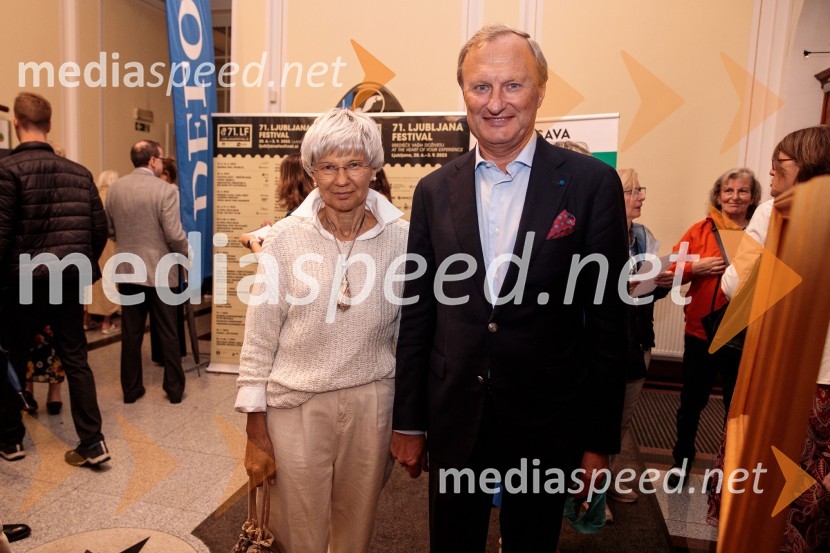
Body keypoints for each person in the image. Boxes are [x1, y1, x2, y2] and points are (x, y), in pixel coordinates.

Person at [390, 24, 629, 551]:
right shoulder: (434, 190)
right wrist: (408, 421)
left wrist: (597, 441)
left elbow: (610, 325)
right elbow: (418, 310)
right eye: (481, 87)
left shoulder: (591, 185)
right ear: (464, 94)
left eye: (513, 86)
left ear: (540, 90)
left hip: (548, 417)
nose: (496, 102)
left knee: (532, 543)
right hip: (455, 413)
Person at [237, 108, 409, 553]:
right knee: (299, 532)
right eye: (328, 167)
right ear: (311, 171)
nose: (342, 179)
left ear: (374, 166)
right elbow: (259, 339)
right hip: (296, 407)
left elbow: (411, 335)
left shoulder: (403, 239)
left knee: (356, 526)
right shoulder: (285, 238)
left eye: (353, 164)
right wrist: (256, 433)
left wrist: (413, 421)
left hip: (372, 402)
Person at [714, 126, 830, 551]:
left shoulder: (777, 211)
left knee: (768, 503)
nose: (772, 174)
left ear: (806, 167)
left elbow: (734, 285)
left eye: (780, 165)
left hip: (787, 375)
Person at [0, 92, 110, 467]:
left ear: (16, 123)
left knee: (12, 356)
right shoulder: (79, 173)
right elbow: (100, 229)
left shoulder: (8, 170)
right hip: (68, 276)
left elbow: (2, 234)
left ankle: (12, 441)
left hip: (24, 280)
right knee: (76, 358)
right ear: (49, 124)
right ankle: (93, 442)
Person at [655, 167, 761, 487]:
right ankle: (681, 463)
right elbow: (672, 272)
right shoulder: (699, 231)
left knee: (736, 406)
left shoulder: (761, 233)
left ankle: (732, 467)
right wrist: (695, 267)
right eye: (728, 191)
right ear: (718, 195)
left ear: (753, 197)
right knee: (691, 403)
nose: (734, 197)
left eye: (742, 191)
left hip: (743, 334)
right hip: (700, 333)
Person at [106, 140, 189, 404]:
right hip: (161, 270)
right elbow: (174, 234)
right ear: (152, 160)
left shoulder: (115, 189)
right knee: (167, 330)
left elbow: (110, 229)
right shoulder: (166, 190)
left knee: (130, 332)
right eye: (162, 159)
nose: (163, 164)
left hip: (127, 269)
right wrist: (186, 254)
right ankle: (174, 390)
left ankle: (131, 390)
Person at [608, 169, 667, 513]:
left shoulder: (643, 237)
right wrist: (622, 289)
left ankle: (608, 481)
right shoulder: (599, 235)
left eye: (641, 189)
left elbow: (646, 298)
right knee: (597, 421)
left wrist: (662, 283)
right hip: (605, 344)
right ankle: (587, 494)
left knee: (622, 421)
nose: (641, 196)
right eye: (633, 191)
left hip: (638, 342)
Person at [239, 152, 314, 253]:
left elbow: (267, 262)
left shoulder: (296, 216)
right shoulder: (312, 209)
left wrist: (251, 242)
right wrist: (273, 234)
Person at [84, 170, 120, 335]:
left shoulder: (94, 196)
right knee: (108, 282)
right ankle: (106, 323)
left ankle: (86, 320)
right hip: (109, 245)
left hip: (91, 245)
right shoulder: (114, 199)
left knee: (91, 285)